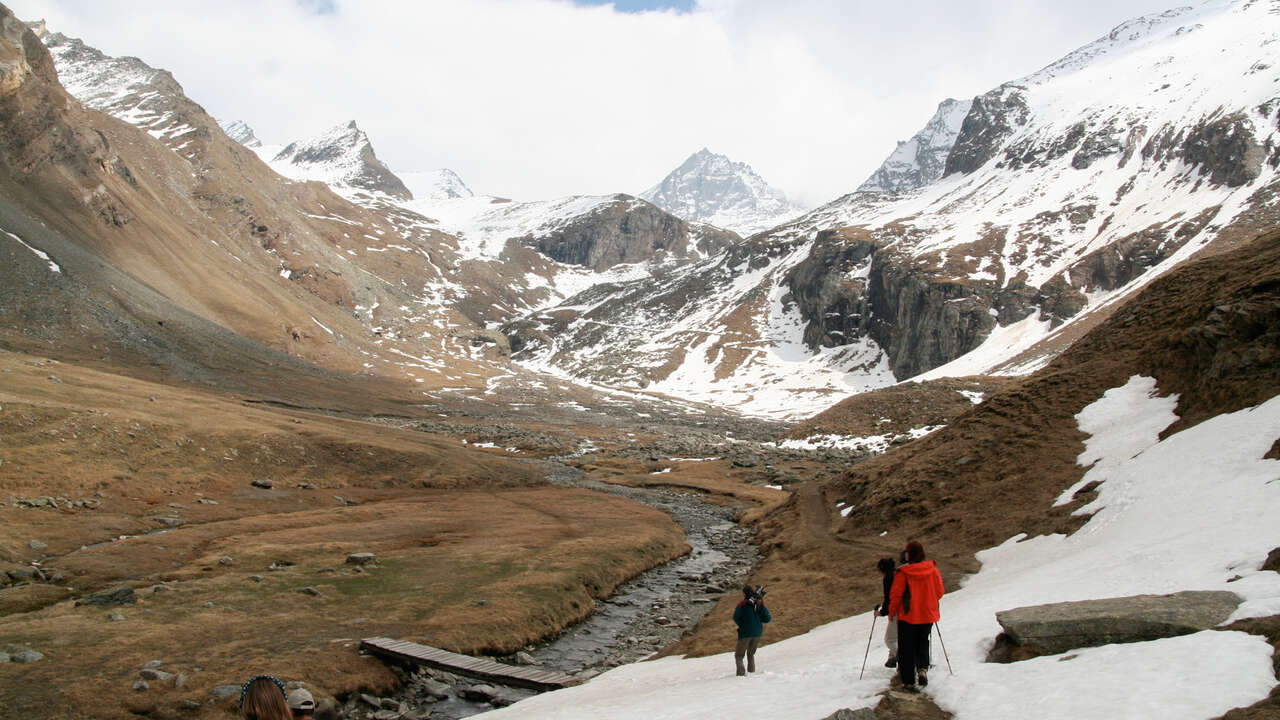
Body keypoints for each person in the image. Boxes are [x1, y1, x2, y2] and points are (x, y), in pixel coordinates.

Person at [888, 540, 944, 691]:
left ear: (910, 554)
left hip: (908, 616)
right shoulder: (933, 570)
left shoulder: (903, 573)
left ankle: (908, 681)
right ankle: (923, 670)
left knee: (907, 647)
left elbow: (896, 595)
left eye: (907, 551)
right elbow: (939, 592)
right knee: (922, 642)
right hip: (927, 614)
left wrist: (892, 612)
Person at [732, 584, 771, 676]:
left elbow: (735, 617)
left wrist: (742, 624)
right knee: (751, 654)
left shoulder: (742, 604)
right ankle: (751, 673)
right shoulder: (759, 602)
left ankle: (741, 675)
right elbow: (767, 619)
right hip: (758, 632)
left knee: (739, 655)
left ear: (744, 593)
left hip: (745, 632)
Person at [875, 557, 898, 668]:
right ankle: (892, 657)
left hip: (896, 610)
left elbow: (888, 597)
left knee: (889, 639)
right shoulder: (898, 573)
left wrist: (882, 612)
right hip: (907, 609)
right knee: (898, 636)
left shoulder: (888, 577)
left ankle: (903, 656)